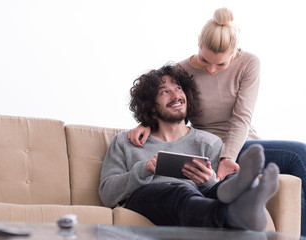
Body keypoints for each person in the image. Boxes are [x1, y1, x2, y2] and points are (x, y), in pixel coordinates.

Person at [127, 7, 306, 235]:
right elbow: (165, 100)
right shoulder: (181, 70)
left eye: (221, 65)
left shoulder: (249, 63)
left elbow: (242, 117)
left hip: (239, 145)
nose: (211, 70)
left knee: (297, 161)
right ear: (198, 43)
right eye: (204, 61)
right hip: (208, 147)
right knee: (295, 156)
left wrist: (228, 157)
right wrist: (147, 122)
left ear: (235, 53)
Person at [99, 64, 279, 231]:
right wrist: (144, 169)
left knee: (212, 189)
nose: (176, 95)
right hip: (144, 199)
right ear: (152, 107)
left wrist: (209, 182)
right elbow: (107, 195)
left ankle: (244, 194)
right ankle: (234, 212)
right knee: (181, 190)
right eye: (165, 92)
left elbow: (208, 192)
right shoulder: (125, 141)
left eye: (178, 88)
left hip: (194, 201)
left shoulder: (209, 142)